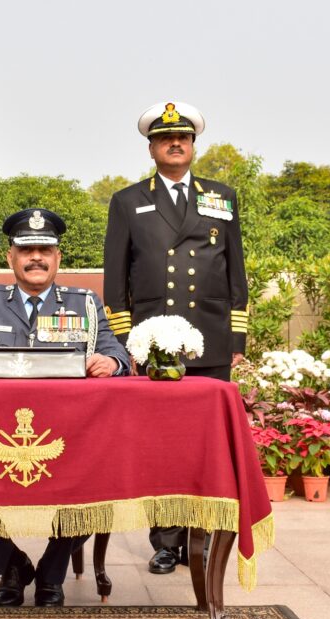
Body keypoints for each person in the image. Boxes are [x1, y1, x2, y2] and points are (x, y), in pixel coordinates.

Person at [102, 101, 249, 575]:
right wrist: (127, 338)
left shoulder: (221, 198)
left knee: (207, 445)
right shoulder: (128, 201)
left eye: (183, 138)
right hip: (154, 341)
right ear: (152, 148)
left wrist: (237, 338)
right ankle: (166, 542)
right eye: (166, 139)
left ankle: (201, 535)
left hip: (208, 338)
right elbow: (115, 274)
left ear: (193, 145)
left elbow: (235, 271)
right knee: (162, 445)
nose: (176, 143)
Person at [0, 208, 129, 606]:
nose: (36, 257)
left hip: (68, 436)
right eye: (26, 249)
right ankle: (11, 563)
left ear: (58, 258)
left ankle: (52, 570)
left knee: (99, 483)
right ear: (10, 258)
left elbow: (116, 353)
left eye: (45, 249)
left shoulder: (85, 303)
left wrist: (112, 363)